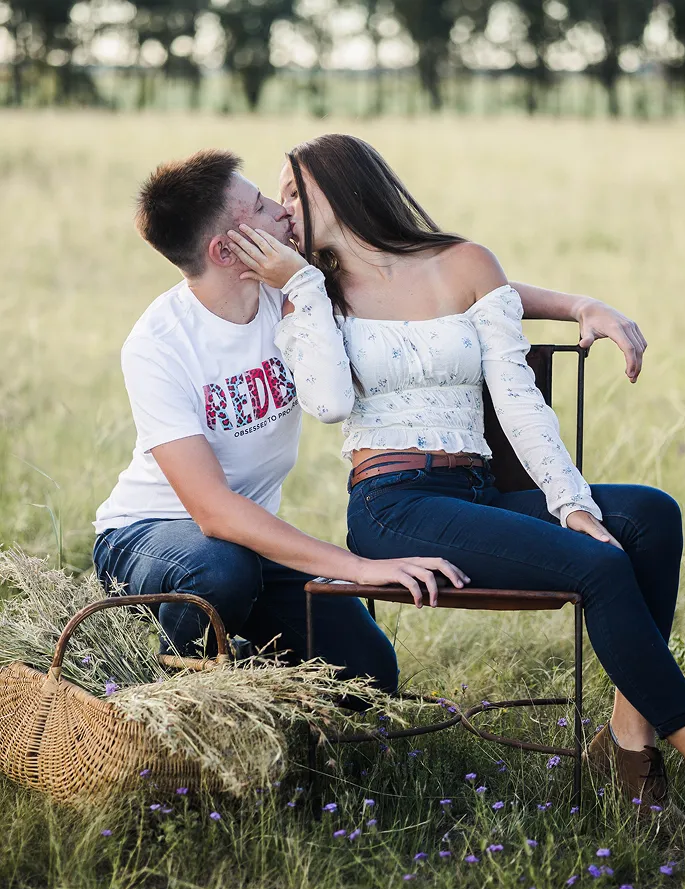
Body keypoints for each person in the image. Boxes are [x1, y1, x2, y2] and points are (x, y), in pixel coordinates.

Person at [225, 133, 685, 825]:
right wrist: (301, 285)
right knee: (600, 565)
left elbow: (516, 398)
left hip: (479, 490)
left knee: (650, 514)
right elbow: (327, 403)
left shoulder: (467, 263)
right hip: (393, 506)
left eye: (295, 190)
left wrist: (568, 500)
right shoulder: (309, 296)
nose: (284, 208)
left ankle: (629, 737)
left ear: (346, 184)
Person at [93, 148, 646, 704]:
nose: (283, 212)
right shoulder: (160, 344)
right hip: (155, 533)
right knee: (219, 570)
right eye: (262, 205)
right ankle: (169, 704)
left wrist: (577, 305)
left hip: (250, 541)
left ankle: (255, 673)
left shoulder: (289, 290)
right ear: (225, 248)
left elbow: (430, 284)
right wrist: (356, 568)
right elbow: (211, 512)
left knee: (368, 675)